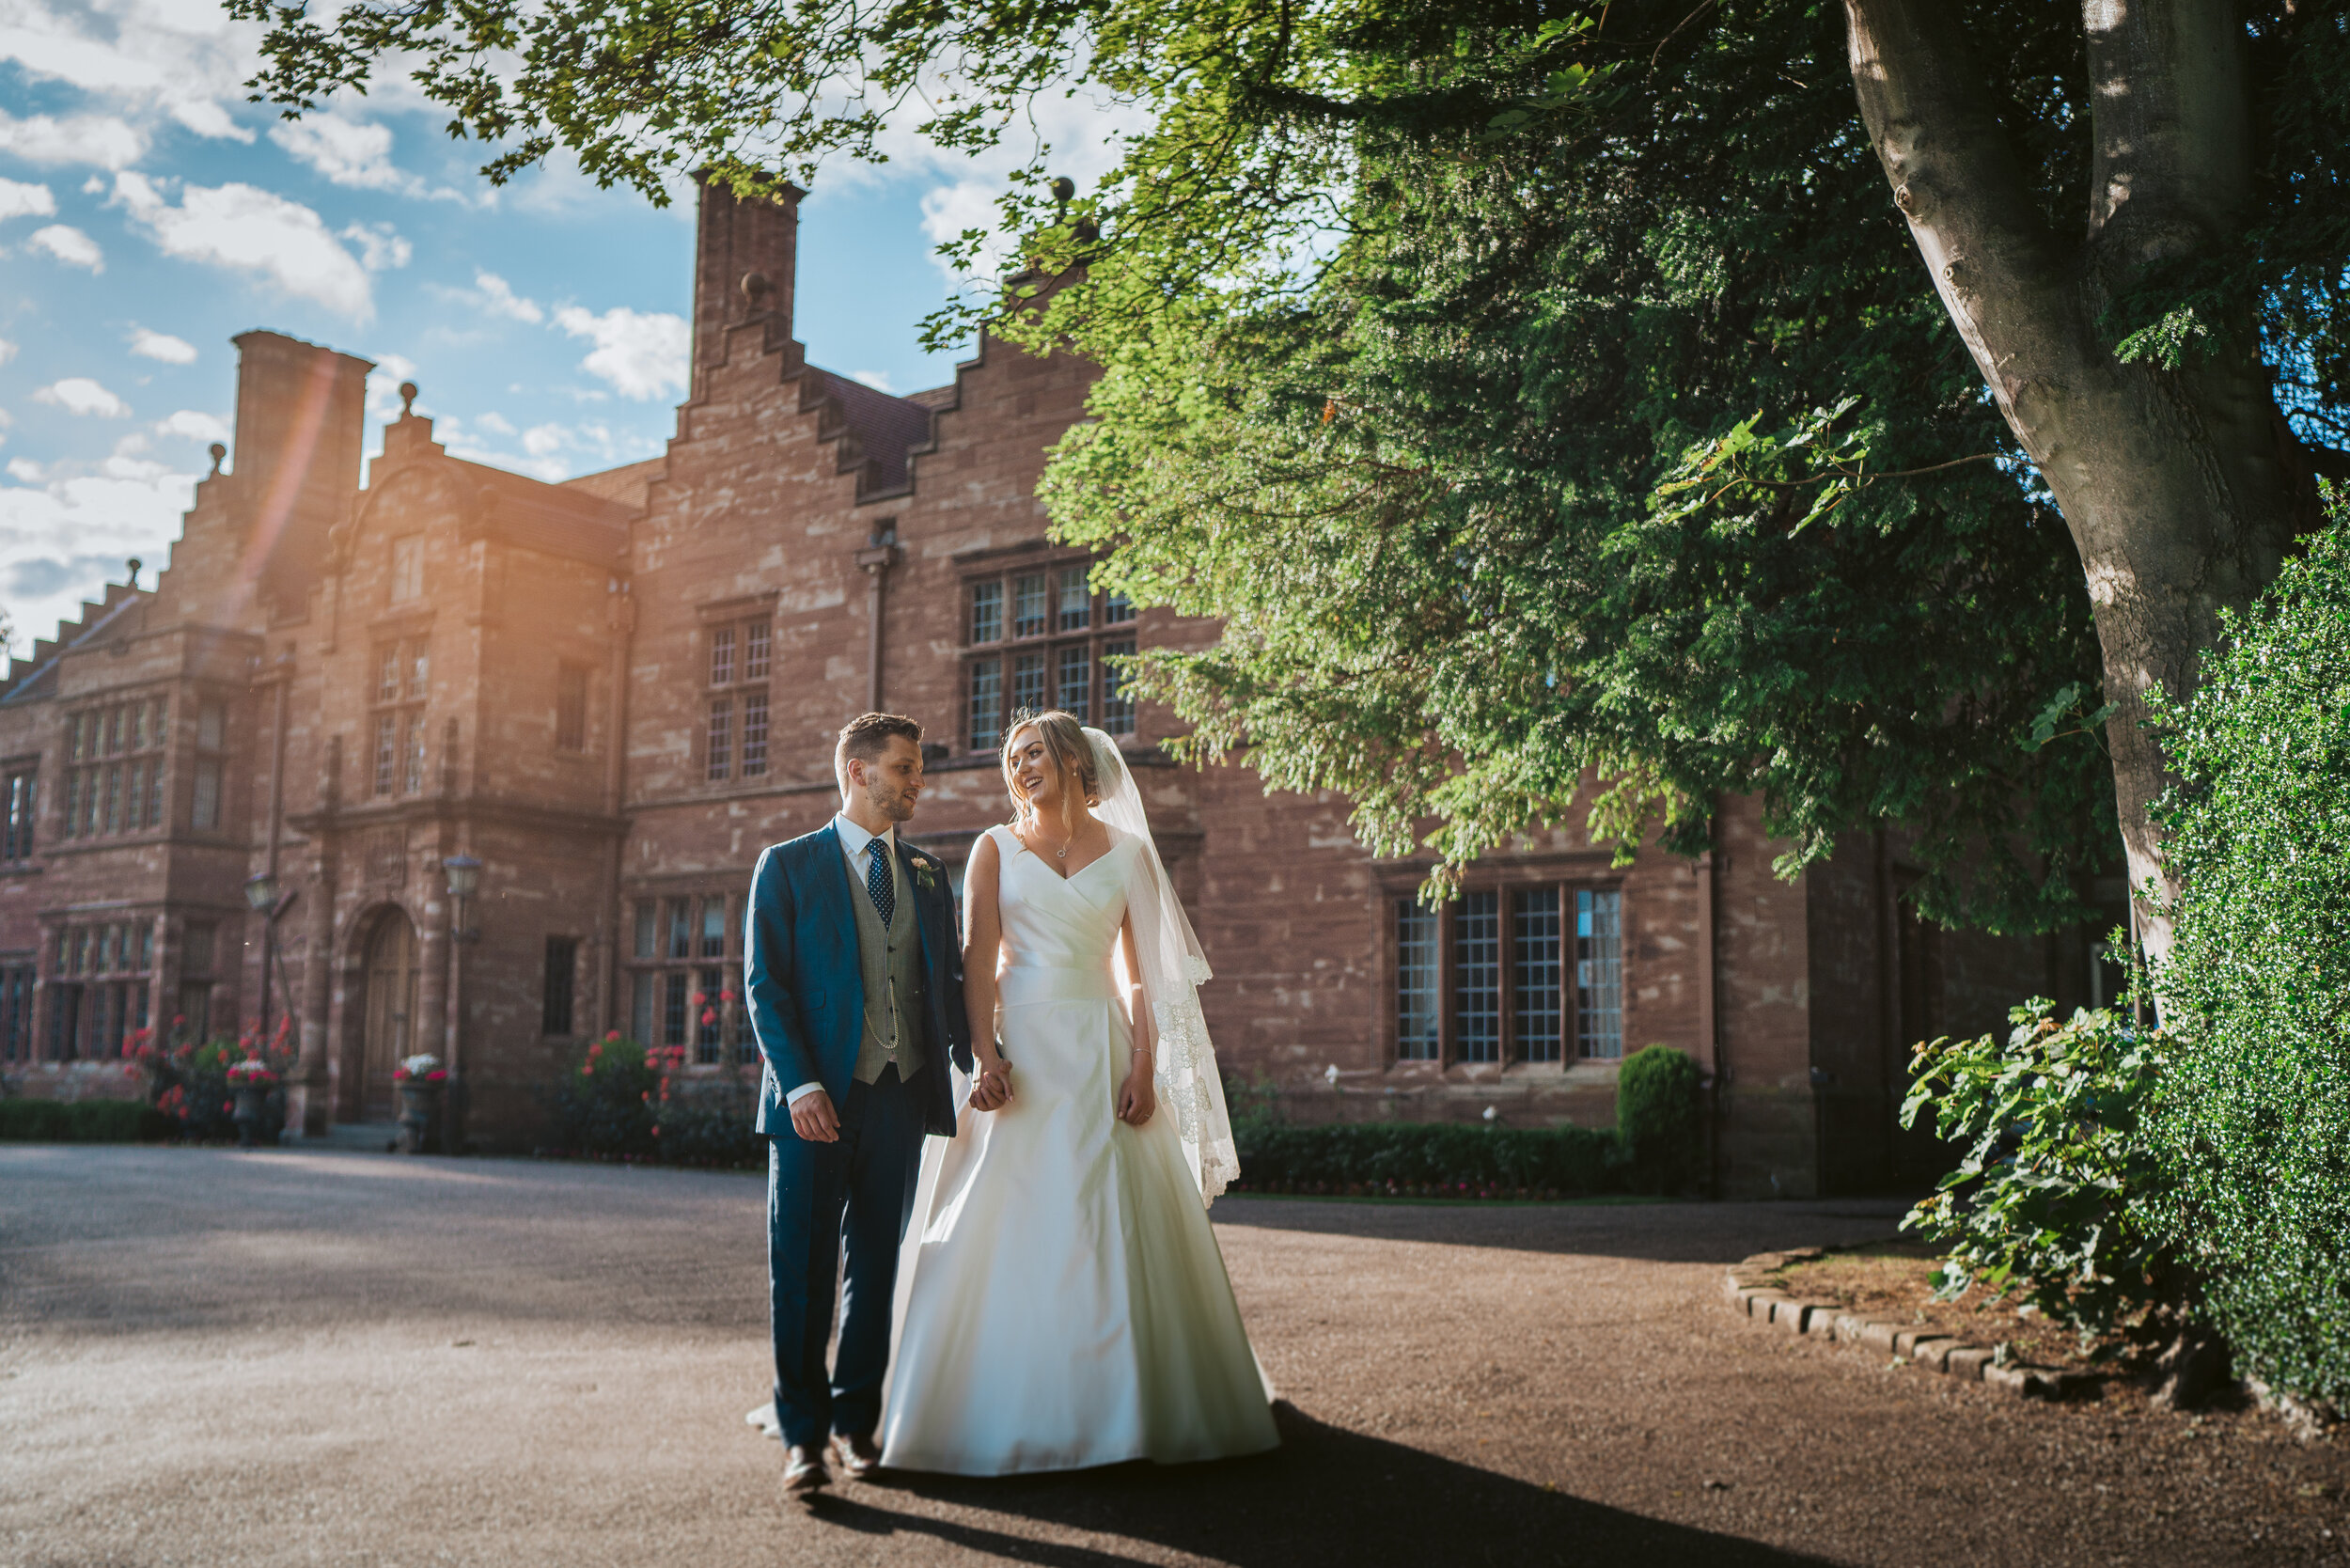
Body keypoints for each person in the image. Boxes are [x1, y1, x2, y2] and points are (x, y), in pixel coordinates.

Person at [876, 710, 1279, 1475]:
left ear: (1069, 759)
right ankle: (990, 1401)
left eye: (1033, 753)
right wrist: (985, 1056)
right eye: (1012, 759)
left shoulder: (1129, 855)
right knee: (1006, 1213)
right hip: (1022, 1053)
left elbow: (1144, 976)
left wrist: (1143, 1066)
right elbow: (978, 958)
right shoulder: (995, 847)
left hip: (1104, 1050)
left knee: (1113, 1217)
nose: (1021, 767)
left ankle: (1130, 1404)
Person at [742, 712, 970, 1503]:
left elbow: (946, 984)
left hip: (900, 1098)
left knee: (874, 1271)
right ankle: (802, 1438)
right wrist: (799, 1085)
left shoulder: (929, 875)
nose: (917, 782)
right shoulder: (787, 865)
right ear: (857, 772)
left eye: (917, 770)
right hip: (812, 1107)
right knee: (801, 1275)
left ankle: (855, 1423)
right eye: (904, 768)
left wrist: (981, 1061)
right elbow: (765, 987)